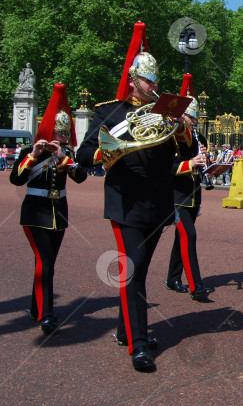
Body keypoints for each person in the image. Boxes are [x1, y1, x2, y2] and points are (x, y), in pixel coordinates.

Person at [77, 21, 197, 372]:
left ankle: (124, 328)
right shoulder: (109, 112)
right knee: (133, 273)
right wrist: (111, 154)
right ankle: (138, 344)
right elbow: (85, 154)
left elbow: (189, 152)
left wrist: (186, 129)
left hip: (159, 202)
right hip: (125, 201)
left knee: (140, 268)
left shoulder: (166, 110)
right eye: (148, 81)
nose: (154, 87)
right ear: (133, 80)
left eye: (156, 82)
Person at [9, 83, 87, 334]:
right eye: (59, 133)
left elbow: (81, 176)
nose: (62, 138)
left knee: (47, 261)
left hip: (58, 213)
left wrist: (64, 158)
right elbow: (17, 179)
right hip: (34, 212)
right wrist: (34, 154)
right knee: (45, 261)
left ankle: (35, 306)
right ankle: (46, 314)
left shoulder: (66, 155)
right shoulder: (30, 152)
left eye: (65, 134)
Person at [164, 74, 215, 302]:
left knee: (181, 238)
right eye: (190, 116)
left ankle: (173, 278)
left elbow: (201, 167)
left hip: (193, 195)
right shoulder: (171, 136)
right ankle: (196, 285)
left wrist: (212, 166)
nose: (194, 120)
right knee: (189, 235)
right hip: (176, 195)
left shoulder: (200, 137)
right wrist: (190, 163)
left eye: (195, 116)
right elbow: (166, 167)